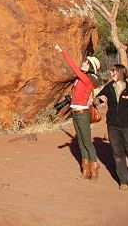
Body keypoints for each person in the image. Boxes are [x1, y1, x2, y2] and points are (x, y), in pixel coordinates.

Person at [94, 64, 128, 191]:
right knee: (118, 154)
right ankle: (124, 181)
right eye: (111, 71)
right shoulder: (108, 88)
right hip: (113, 126)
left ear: (122, 73)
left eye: (114, 71)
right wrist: (99, 99)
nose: (111, 73)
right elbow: (96, 102)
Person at [54, 43, 101, 180]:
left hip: (82, 114)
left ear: (90, 68)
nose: (83, 64)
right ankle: (86, 169)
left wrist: (63, 50)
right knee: (80, 141)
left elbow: (73, 66)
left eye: (86, 63)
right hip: (75, 113)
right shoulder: (78, 80)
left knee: (86, 141)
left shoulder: (86, 79)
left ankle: (95, 164)